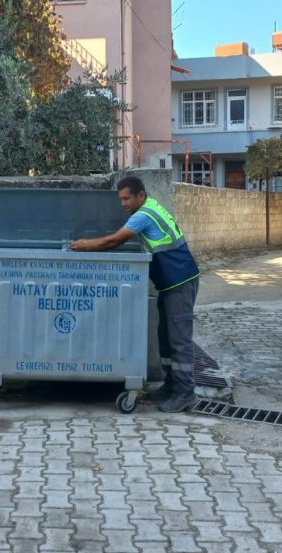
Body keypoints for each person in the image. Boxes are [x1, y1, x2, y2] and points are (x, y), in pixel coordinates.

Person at [69, 176, 201, 413]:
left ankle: (185, 392)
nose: (123, 203)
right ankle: (172, 384)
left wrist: (84, 245)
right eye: (121, 199)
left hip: (180, 281)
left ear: (140, 195)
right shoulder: (150, 207)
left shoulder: (143, 215)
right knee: (166, 336)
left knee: (179, 339)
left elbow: (113, 241)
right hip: (171, 284)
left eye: (127, 198)